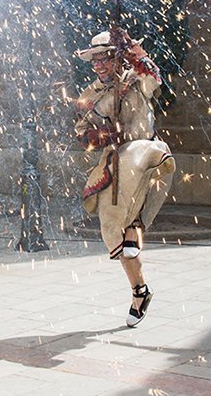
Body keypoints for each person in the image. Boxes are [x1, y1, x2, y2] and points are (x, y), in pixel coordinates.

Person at [75, 28, 176, 328]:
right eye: (95, 60)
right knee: (112, 227)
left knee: (134, 160)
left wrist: (134, 51)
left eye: (105, 58)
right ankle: (140, 291)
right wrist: (104, 135)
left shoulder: (136, 78)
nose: (99, 65)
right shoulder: (90, 95)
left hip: (148, 154)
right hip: (116, 162)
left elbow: (156, 79)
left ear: (117, 58)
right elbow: (82, 133)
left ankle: (135, 226)